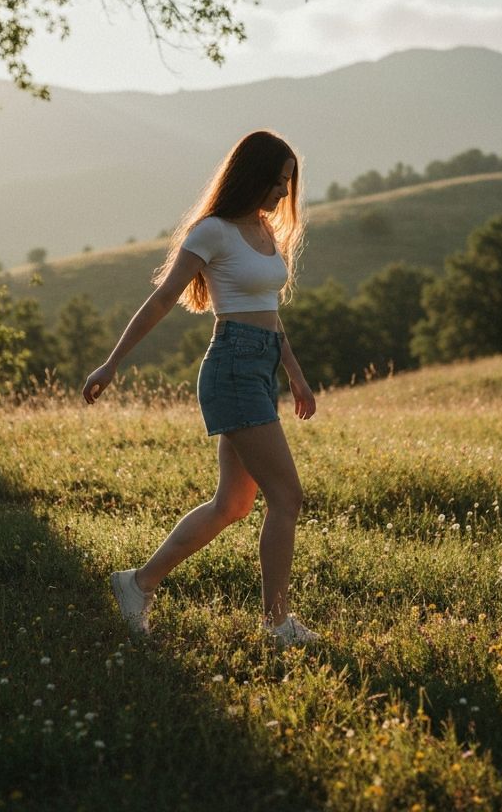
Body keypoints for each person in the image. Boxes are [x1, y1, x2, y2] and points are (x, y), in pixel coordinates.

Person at [82, 129, 320, 647]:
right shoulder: (211, 231)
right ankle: (278, 623)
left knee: (233, 504)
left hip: (258, 368)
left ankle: (137, 582)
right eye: (278, 181)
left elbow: (271, 317)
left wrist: (295, 376)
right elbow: (163, 299)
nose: (283, 193)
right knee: (287, 497)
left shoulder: (264, 229)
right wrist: (110, 364)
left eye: (286, 184)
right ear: (253, 176)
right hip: (231, 366)